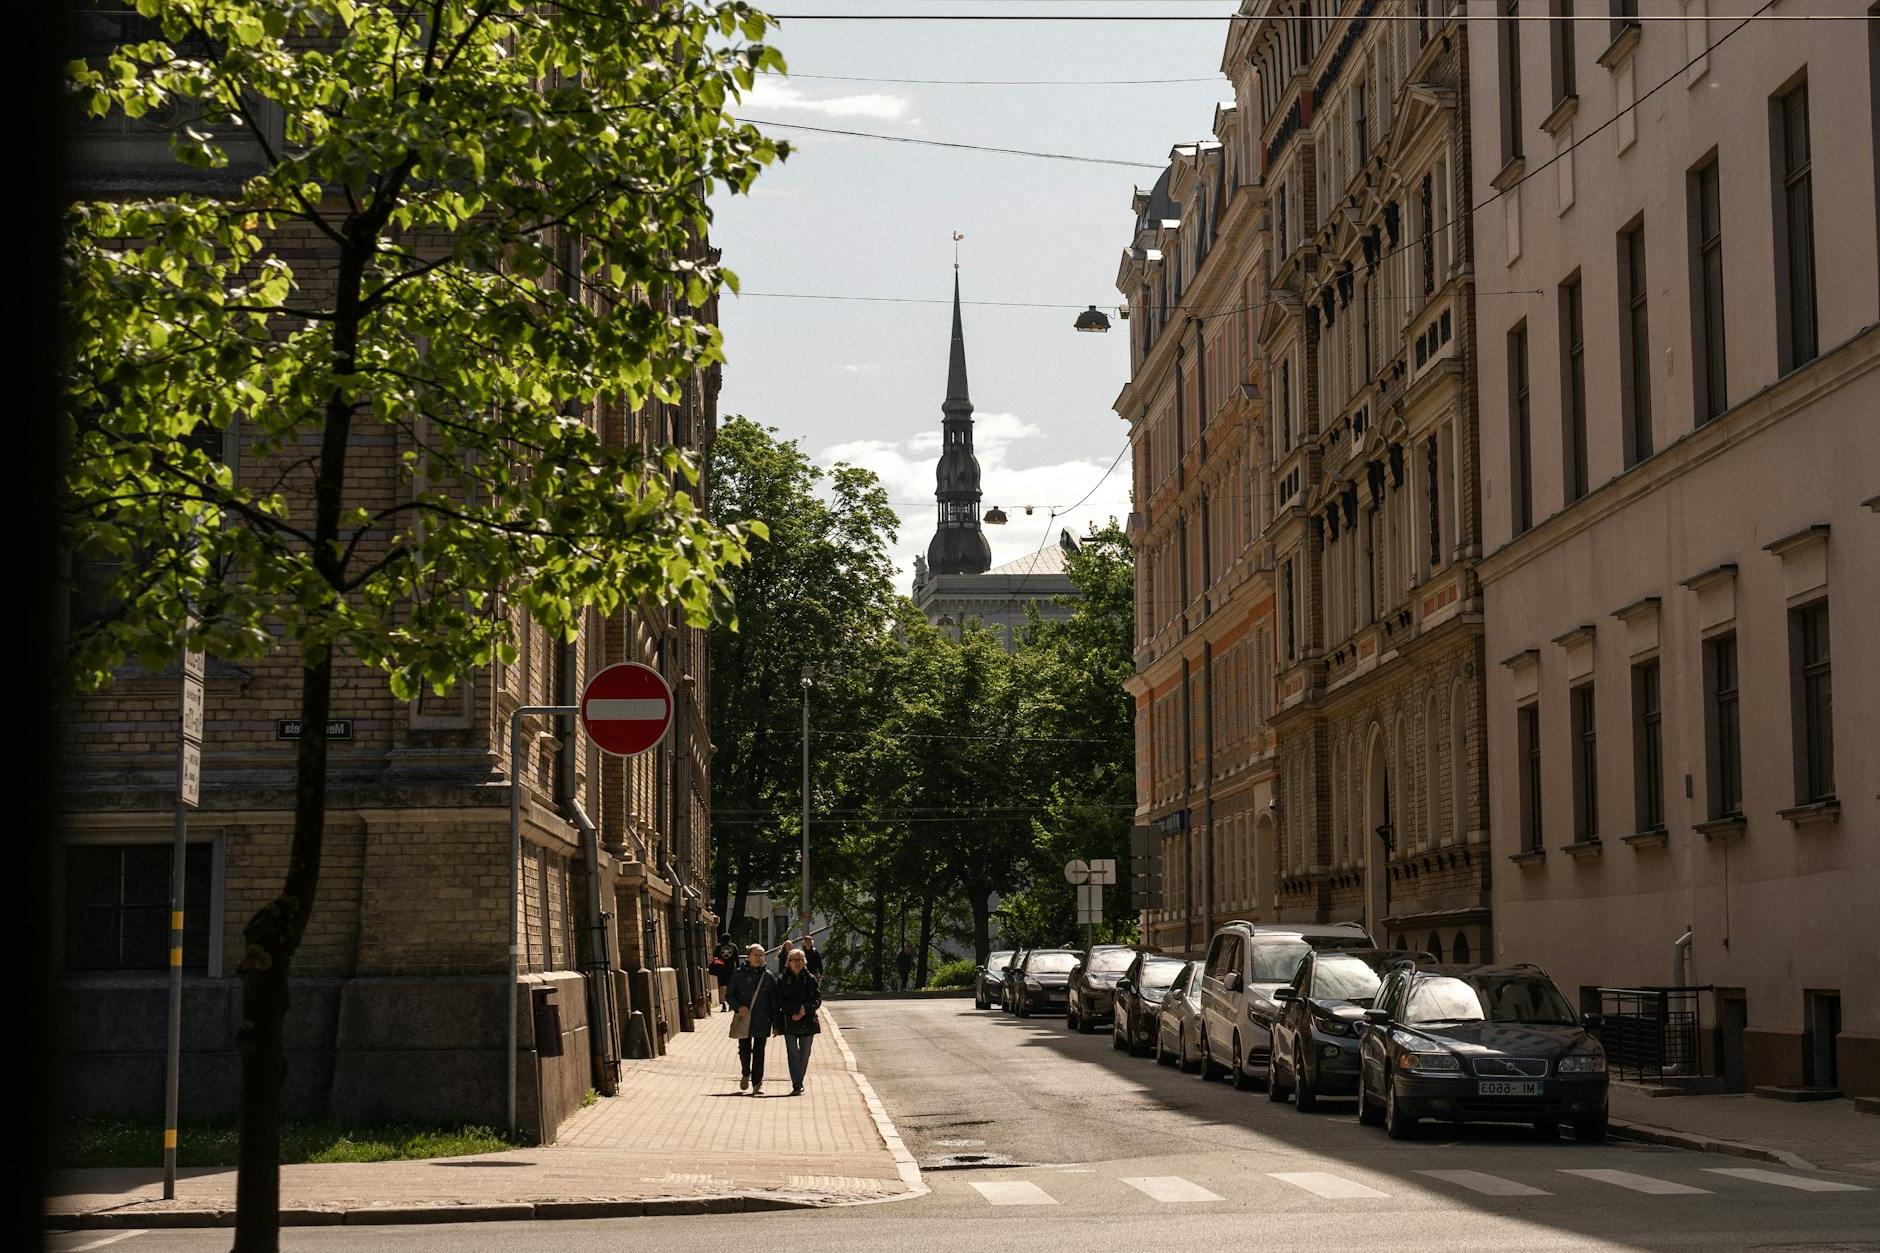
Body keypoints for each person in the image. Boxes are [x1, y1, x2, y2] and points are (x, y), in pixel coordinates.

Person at [728, 943, 777, 1095]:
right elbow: (729, 995)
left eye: (761, 955)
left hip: (763, 1019)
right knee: (744, 1049)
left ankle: (757, 1084)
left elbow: (775, 1002)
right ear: (748, 956)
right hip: (744, 1019)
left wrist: (776, 1024)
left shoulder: (768, 976)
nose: (758, 958)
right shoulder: (738, 973)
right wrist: (738, 1007)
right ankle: (745, 1073)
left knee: (759, 1052)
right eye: (755, 955)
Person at [774, 947, 822, 1096]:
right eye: (795, 960)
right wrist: (795, 1010)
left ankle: (798, 1080)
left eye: (801, 960)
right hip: (790, 1021)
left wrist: (803, 1010)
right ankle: (797, 1084)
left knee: (805, 1054)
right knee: (793, 1054)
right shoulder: (782, 980)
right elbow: (780, 1001)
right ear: (789, 962)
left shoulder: (810, 979)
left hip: (808, 1020)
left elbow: (817, 999)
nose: (798, 963)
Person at [710, 933, 738, 1012]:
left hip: (721, 971)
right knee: (731, 988)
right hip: (731, 971)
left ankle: (723, 1006)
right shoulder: (734, 947)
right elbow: (737, 959)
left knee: (722, 988)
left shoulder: (719, 947)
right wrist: (738, 970)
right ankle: (731, 1005)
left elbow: (714, 958)